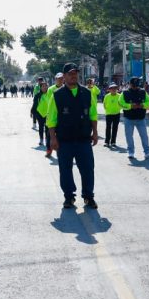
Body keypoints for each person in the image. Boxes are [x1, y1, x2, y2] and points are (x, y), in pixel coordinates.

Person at [47, 63, 99, 209]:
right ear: (64, 76)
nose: (73, 76)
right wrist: (53, 138)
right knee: (65, 170)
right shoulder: (57, 95)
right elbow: (51, 119)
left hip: (83, 139)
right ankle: (69, 197)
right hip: (64, 140)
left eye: (75, 73)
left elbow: (93, 114)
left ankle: (88, 196)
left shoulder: (87, 93)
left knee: (88, 169)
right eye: (70, 74)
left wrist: (95, 133)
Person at [119, 77, 149, 160]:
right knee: (129, 136)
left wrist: (143, 105)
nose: (135, 87)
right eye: (133, 85)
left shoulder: (143, 92)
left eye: (136, 85)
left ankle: (147, 152)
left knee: (144, 136)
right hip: (128, 118)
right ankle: (131, 152)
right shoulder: (125, 93)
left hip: (141, 118)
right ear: (130, 84)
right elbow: (120, 103)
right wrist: (130, 106)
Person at [32, 82, 52, 150]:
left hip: (48, 114)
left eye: (46, 86)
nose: (45, 87)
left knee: (47, 128)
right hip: (39, 114)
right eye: (43, 86)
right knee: (40, 127)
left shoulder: (50, 94)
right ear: (40, 87)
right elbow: (34, 104)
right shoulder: (37, 95)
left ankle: (47, 140)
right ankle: (41, 140)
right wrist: (33, 112)